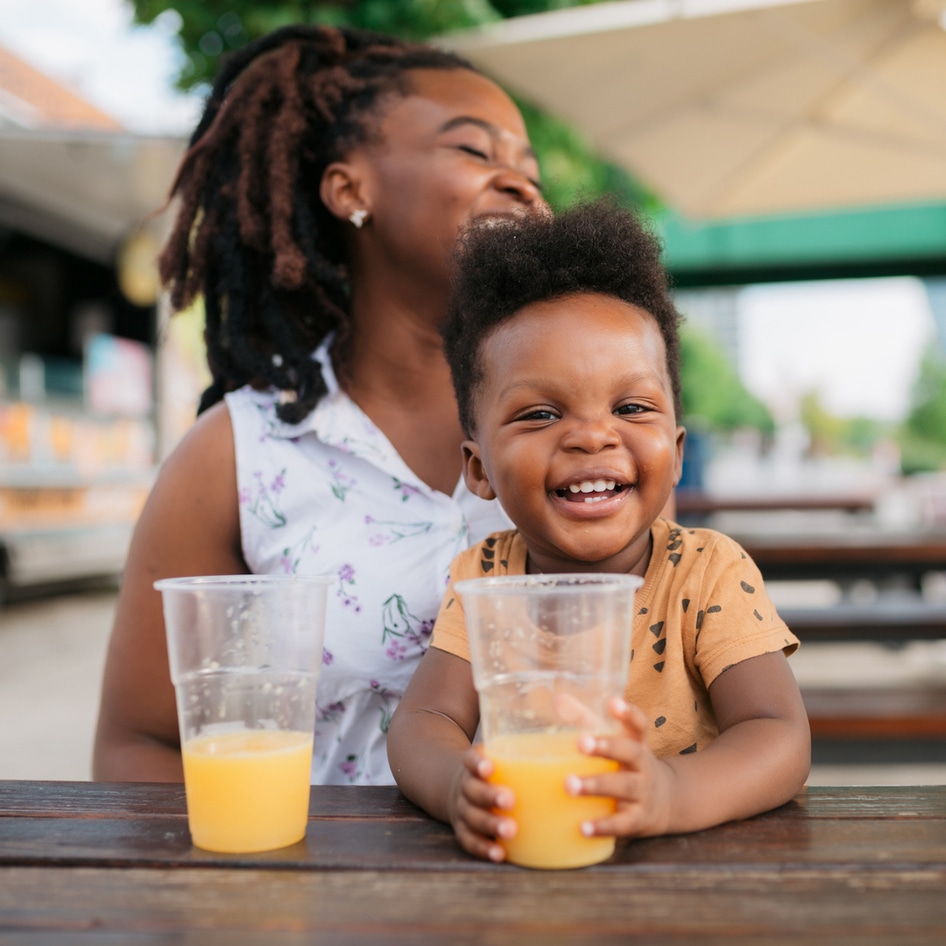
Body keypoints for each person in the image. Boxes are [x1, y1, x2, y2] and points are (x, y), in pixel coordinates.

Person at [92, 24, 547, 784]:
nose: (521, 182)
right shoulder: (238, 453)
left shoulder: (590, 427)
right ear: (349, 189)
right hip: (324, 899)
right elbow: (137, 745)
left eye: (530, 168)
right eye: (476, 150)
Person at [386, 200, 811, 862]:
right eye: (541, 412)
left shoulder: (708, 573)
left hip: (693, 880)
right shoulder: (486, 577)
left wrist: (671, 794)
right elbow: (423, 722)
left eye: (631, 406)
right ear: (479, 468)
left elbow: (778, 734)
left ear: (673, 449)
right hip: (532, 867)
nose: (590, 434)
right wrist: (454, 787)